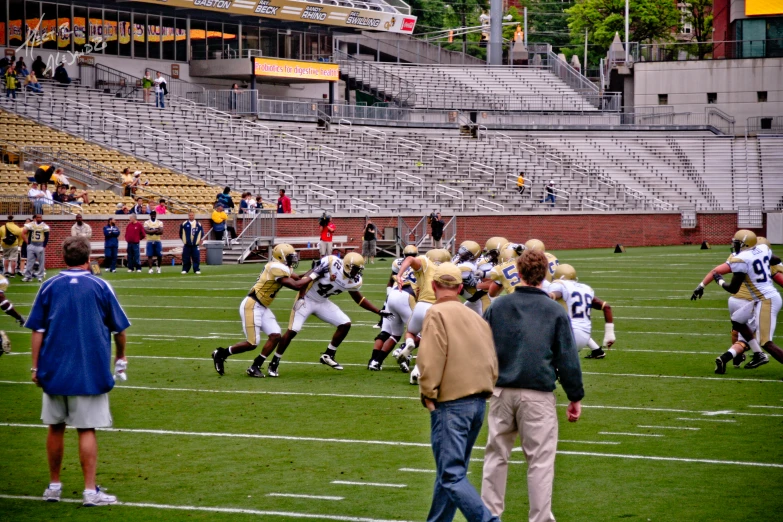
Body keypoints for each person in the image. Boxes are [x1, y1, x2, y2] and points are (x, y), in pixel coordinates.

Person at [481, 249, 584, 522]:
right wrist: (575, 396)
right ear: (545, 274)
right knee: (539, 462)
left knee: (495, 457)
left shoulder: (498, 306)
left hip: (501, 391)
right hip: (537, 394)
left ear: (519, 272)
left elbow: (482, 349)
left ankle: (489, 515)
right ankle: (539, 518)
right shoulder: (553, 310)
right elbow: (567, 357)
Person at [27, 236, 130, 507]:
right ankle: (89, 491)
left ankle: (53, 486)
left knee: (55, 427)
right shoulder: (100, 285)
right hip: (89, 370)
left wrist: (35, 366)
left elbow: (37, 330)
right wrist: (121, 357)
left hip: (54, 369)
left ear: (63, 257)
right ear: (88, 258)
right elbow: (120, 329)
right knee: (86, 429)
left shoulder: (48, 285)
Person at [418, 262, 499, 522]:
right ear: (460, 287)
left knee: (451, 475)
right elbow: (492, 358)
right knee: (451, 472)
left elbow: (430, 357)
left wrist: (428, 392)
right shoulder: (476, 316)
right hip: (478, 401)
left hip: (451, 403)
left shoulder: (436, 313)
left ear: (433, 286)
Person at [257, 252, 389, 377]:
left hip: (322, 302)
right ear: (347, 266)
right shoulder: (331, 263)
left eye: (358, 269)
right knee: (293, 330)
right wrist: (301, 296)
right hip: (307, 298)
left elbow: (358, 299)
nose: (357, 273)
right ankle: (275, 362)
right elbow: (307, 278)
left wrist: (378, 311)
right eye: (355, 269)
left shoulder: (354, 280)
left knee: (345, 323)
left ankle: (328, 354)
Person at [211, 244, 315, 377]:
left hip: (262, 306)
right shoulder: (275, 267)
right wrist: (314, 274)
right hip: (252, 304)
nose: (293, 260)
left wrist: (313, 271)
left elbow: (300, 278)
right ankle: (221, 353)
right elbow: (296, 285)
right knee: (252, 343)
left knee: (276, 335)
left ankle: (255, 366)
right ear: (280, 257)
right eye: (290, 257)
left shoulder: (282, 267)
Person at [692, 229, 783, 371]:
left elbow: (733, 288)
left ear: (745, 244)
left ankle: (760, 352)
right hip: (762, 299)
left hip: (766, 300)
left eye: (736, 243)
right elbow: (776, 260)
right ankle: (758, 354)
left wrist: (719, 281)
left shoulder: (742, 259)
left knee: (765, 341)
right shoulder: (763, 248)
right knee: (737, 320)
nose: (734, 245)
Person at [393, 248, 453, 379]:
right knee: (430, 343)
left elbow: (409, 259)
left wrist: (399, 275)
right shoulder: (449, 271)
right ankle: (417, 370)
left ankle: (409, 343)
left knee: (410, 332)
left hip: (421, 305)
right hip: (438, 308)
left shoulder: (426, 263)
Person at [368, 244, 419, 371]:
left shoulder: (398, 263)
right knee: (418, 332)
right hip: (407, 297)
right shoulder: (422, 265)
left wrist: (388, 297)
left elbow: (391, 280)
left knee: (393, 333)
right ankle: (402, 351)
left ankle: (375, 361)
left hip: (392, 296)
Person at [549, 264, 616, 359]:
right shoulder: (585, 288)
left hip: (568, 334)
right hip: (584, 336)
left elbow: (555, 294)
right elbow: (607, 307)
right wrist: (610, 334)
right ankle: (596, 350)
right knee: (564, 367)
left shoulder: (561, 285)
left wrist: (548, 296)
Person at [22, 214, 50, 283]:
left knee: (41, 261)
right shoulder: (31, 224)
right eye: (37, 217)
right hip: (32, 244)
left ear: (42, 218)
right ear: (35, 218)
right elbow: (23, 232)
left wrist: (44, 246)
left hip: (40, 244)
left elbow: (47, 237)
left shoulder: (45, 226)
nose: (39, 218)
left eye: (40, 217)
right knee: (29, 261)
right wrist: (27, 242)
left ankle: (40, 276)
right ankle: (28, 276)